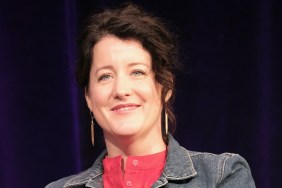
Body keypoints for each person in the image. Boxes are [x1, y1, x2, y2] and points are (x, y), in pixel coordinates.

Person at [46, 2, 256, 188]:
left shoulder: (221, 175)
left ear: (165, 87)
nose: (121, 90)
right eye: (105, 76)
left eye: (137, 72)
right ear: (88, 98)